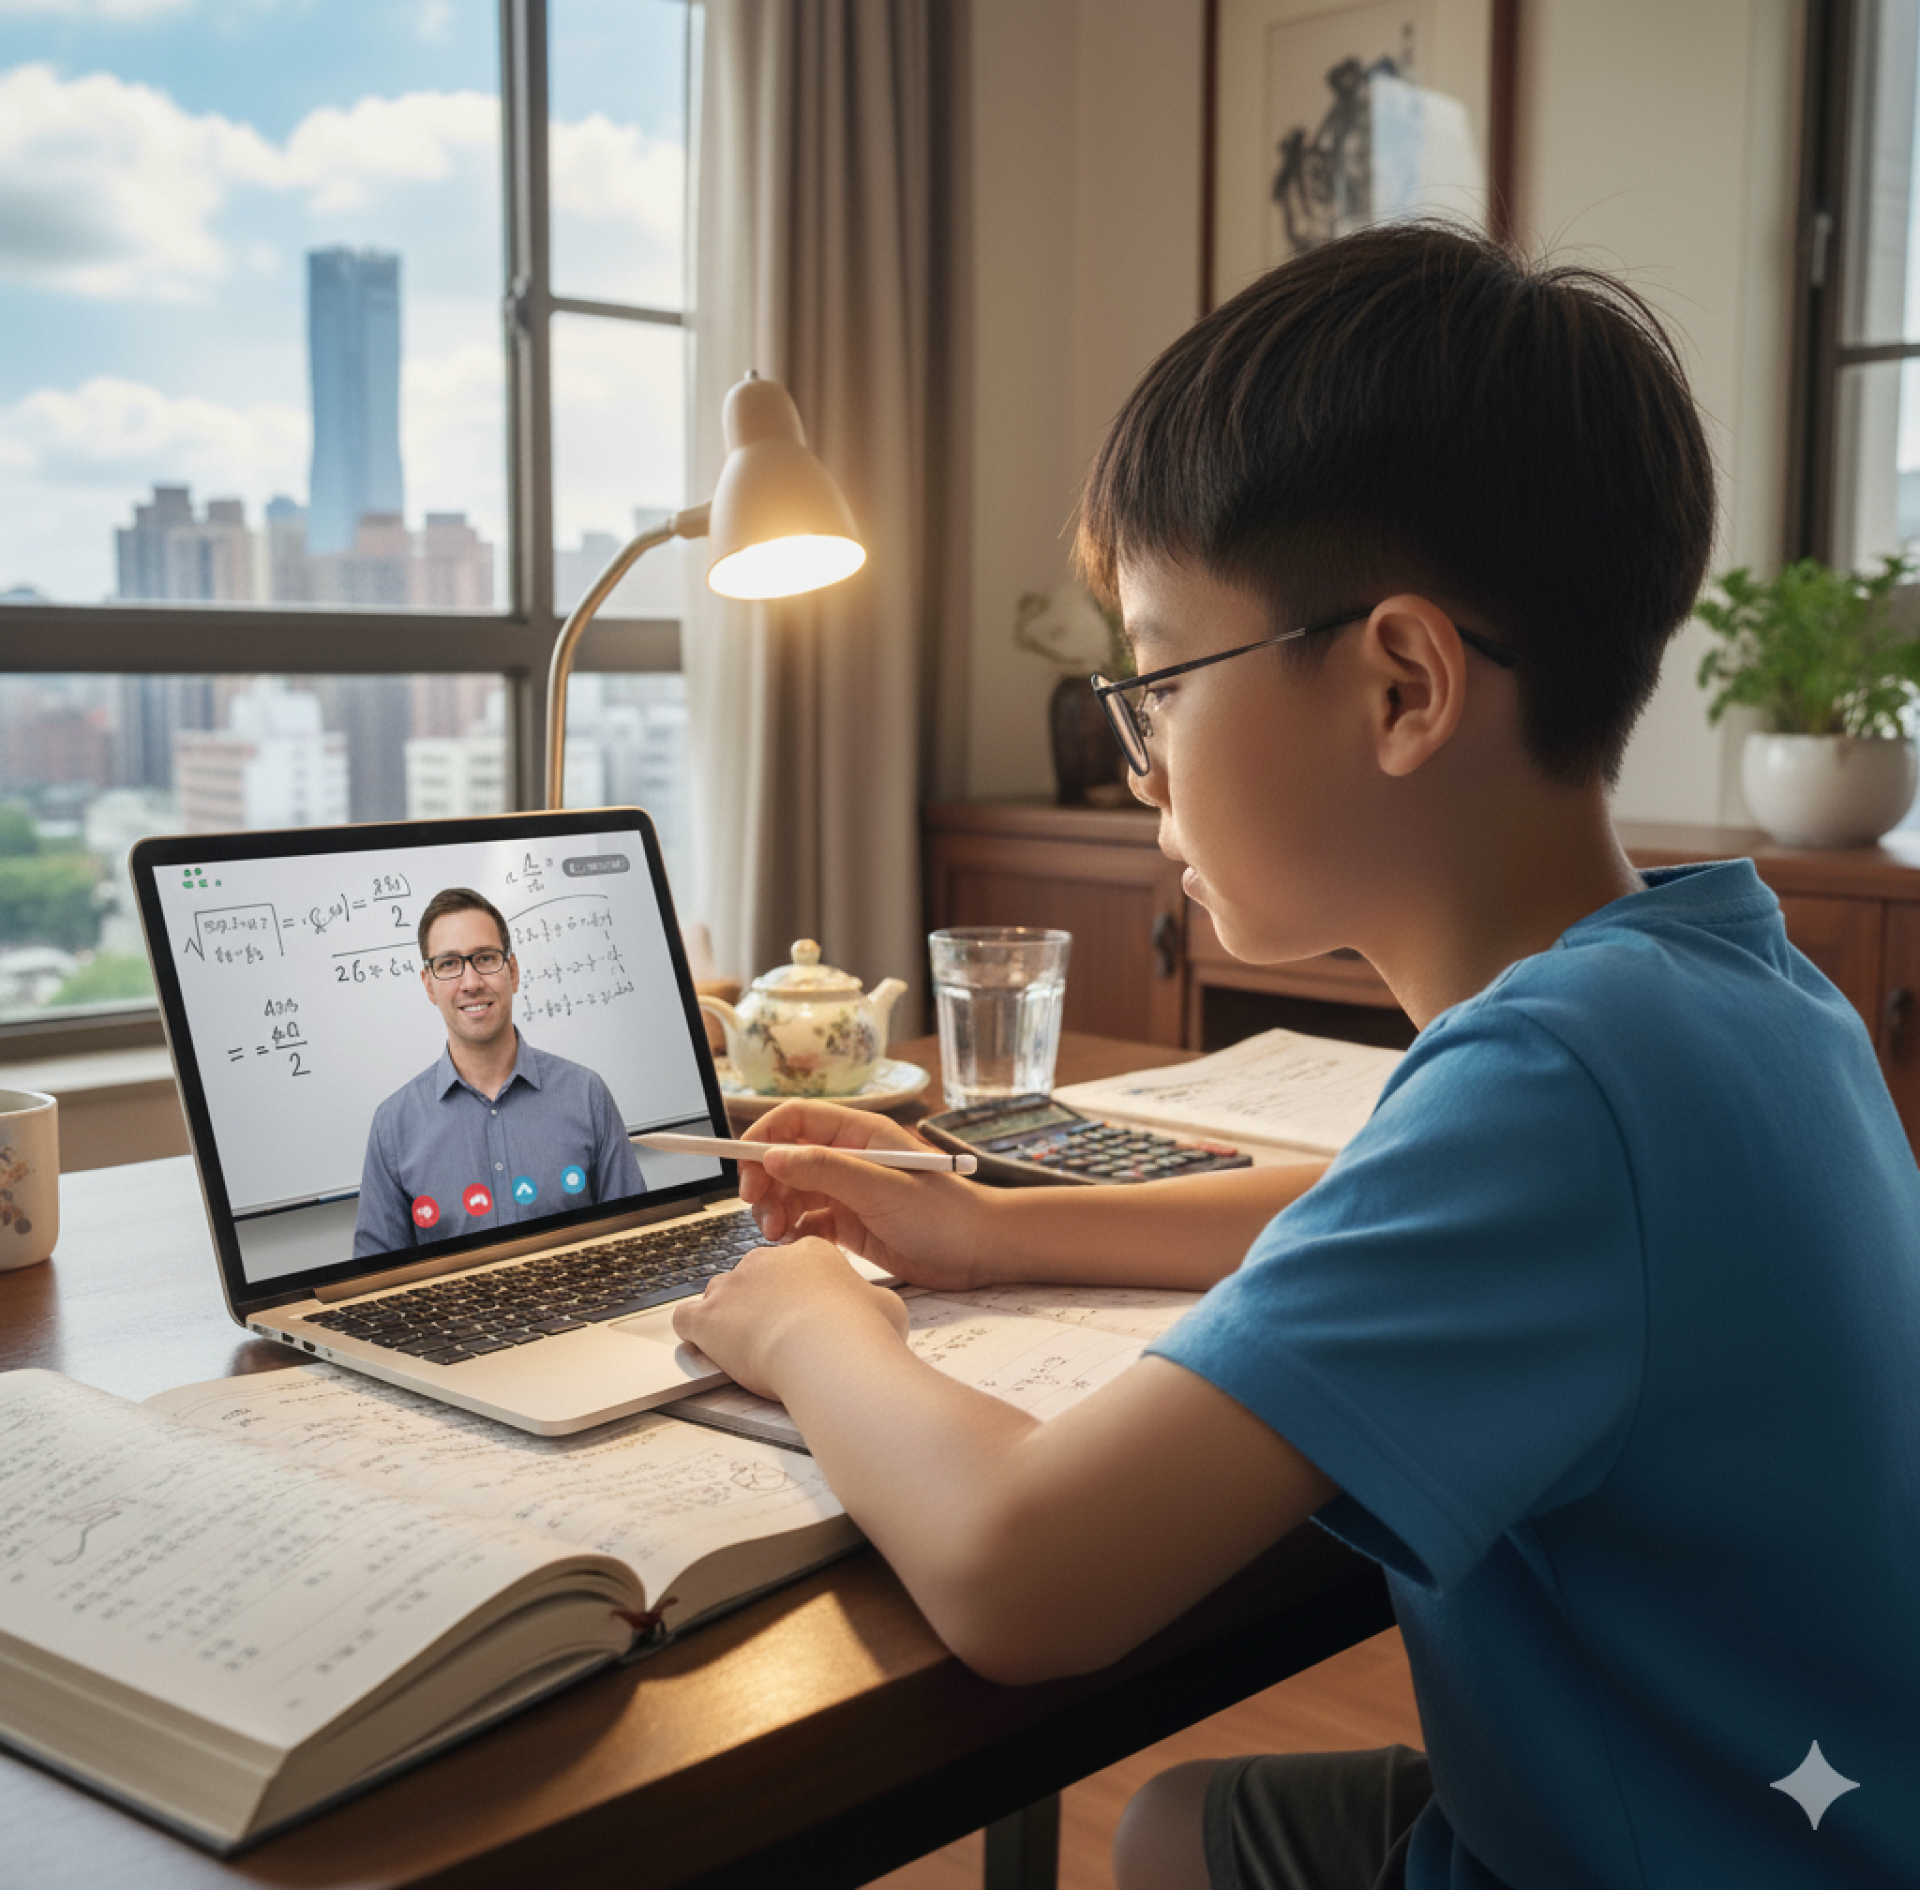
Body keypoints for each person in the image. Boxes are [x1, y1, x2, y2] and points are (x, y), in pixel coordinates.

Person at [671, 223, 1920, 1889]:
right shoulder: (1723, 983)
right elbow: (1367, 1211)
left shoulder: (1552, 1089)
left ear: (1403, 684)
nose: (1142, 768)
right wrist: (993, 1226)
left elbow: (1019, 1578)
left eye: (1160, 684)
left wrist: (813, 1324)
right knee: (1189, 1828)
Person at [353, 885, 644, 1257]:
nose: (471, 983)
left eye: (486, 959)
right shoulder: (393, 1125)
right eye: (448, 964)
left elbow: (635, 1243)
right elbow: (374, 1285)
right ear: (429, 986)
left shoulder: (586, 1094)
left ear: (514, 971)